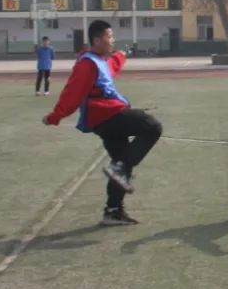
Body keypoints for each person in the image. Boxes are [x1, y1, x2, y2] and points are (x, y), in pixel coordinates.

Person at [42, 20, 163, 225]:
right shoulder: (86, 64)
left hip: (106, 119)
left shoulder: (98, 61)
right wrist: (55, 116)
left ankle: (113, 211)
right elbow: (72, 93)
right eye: (109, 36)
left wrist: (122, 55)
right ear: (97, 40)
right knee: (152, 127)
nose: (112, 40)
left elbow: (110, 68)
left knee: (122, 165)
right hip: (106, 116)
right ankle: (119, 169)